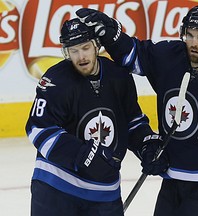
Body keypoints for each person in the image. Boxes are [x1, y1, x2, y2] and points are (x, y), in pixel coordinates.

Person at [76, 5, 198, 216]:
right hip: (175, 179)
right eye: (189, 35)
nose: (194, 43)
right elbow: (133, 55)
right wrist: (112, 35)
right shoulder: (170, 57)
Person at [25, 17, 168, 216]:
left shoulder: (118, 75)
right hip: (57, 189)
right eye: (73, 51)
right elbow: (39, 128)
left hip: (104, 193)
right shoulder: (56, 80)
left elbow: (132, 121)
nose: (80, 56)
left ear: (96, 46)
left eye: (85, 47)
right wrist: (83, 155)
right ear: (66, 52)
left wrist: (147, 145)